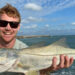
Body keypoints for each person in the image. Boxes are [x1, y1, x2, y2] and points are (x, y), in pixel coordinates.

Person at [0, 4, 74, 75]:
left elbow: (33, 73)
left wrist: (48, 69)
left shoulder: (23, 47)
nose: (8, 28)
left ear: (18, 27)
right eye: (3, 23)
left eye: (13, 24)